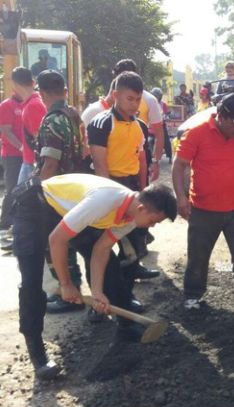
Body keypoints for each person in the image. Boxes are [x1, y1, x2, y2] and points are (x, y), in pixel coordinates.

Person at [13, 173, 176, 380]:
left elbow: (101, 250)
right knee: (32, 281)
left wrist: (97, 293)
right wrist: (66, 284)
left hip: (68, 210)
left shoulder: (132, 216)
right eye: (154, 221)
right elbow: (57, 240)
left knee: (111, 265)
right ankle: (37, 353)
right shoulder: (104, 202)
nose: (152, 227)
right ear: (143, 209)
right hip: (36, 206)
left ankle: (125, 326)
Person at [172, 93, 234, 321]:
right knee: (198, 256)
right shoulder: (196, 133)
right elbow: (179, 166)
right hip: (203, 208)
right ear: (222, 116)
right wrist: (180, 198)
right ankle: (193, 296)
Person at [88, 71, 160, 311]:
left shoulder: (140, 126)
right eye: (130, 98)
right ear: (116, 95)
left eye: (138, 99)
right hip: (108, 190)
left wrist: (144, 192)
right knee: (101, 251)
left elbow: (141, 161)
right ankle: (99, 303)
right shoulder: (101, 123)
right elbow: (100, 165)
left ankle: (126, 297)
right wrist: (108, 200)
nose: (134, 104)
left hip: (132, 190)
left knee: (133, 251)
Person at [33, 70, 92, 315]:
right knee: (69, 239)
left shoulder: (52, 120)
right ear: (64, 91)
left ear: (42, 93)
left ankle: (66, 293)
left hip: (56, 190)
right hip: (75, 186)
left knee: (55, 242)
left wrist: (39, 192)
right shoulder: (74, 115)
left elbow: (49, 163)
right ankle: (74, 288)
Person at [111, 59, 165, 182]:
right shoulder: (113, 98)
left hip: (139, 160)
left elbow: (159, 132)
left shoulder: (149, 100)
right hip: (114, 161)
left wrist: (156, 161)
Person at [0, 68, 26, 248]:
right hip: (12, 155)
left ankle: (19, 227)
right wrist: (21, 147)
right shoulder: (6, 106)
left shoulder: (30, 103)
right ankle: (4, 226)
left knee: (26, 192)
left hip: (28, 156)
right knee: (12, 190)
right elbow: (6, 131)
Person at [7, 67, 39, 186]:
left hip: (31, 163)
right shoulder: (32, 103)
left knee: (20, 201)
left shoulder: (32, 106)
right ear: (33, 82)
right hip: (30, 161)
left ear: (14, 84)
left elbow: (39, 139)